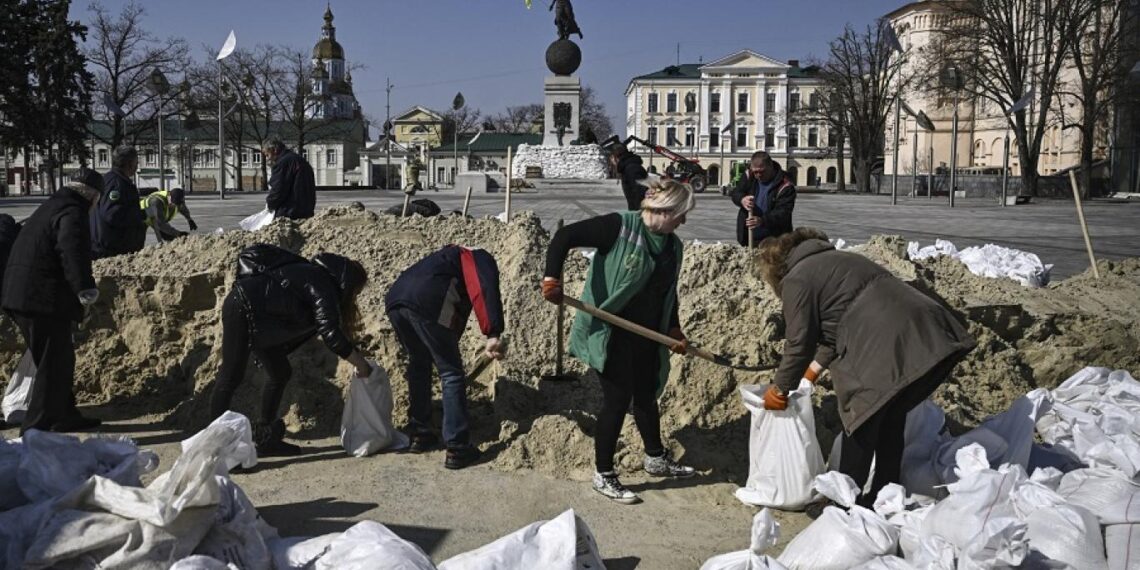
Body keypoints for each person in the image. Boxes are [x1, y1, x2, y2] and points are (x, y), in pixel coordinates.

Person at [755, 227, 976, 507]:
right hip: (931, 331)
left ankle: (844, 503)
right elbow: (834, 330)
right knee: (891, 418)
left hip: (884, 342)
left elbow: (799, 343)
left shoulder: (797, 279)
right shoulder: (842, 261)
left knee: (862, 420)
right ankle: (884, 495)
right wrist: (813, 371)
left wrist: (780, 388)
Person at [541, 178, 697, 505]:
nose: (684, 221)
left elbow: (668, 294)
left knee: (645, 394)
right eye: (681, 214)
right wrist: (552, 277)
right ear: (666, 210)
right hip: (609, 329)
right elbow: (564, 237)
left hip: (646, 333)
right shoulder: (620, 227)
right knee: (616, 398)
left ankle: (655, 457)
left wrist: (673, 329)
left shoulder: (673, 246)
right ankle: (604, 474)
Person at [209, 249, 371, 456]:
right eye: (356, 291)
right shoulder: (322, 284)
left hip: (261, 317)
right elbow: (330, 332)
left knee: (280, 372)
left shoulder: (315, 276)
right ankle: (214, 448)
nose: (354, 297)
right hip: (242, 307)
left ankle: (266, 438)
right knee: (230, 376)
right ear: (348, 283)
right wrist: (360, 363)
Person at [385, 245, 505, 470]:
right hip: (425, 300)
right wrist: (493, 332)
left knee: (419, 363)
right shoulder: (477, 257)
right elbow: (484, 287)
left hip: (396, 300)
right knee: (450, 372)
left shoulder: (438, 261)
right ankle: (458, 447)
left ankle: (420, 433)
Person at [2, 168, 104, 434]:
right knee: (53, 364)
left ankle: (64, 414)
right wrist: (84, 287)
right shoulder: (73, 211)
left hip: (22, 294)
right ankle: (36, 429)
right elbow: (71, 250)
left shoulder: (53, 204)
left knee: (57, 359)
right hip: (39, 299)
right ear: (93, 197)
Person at [729, 151, 796, 247]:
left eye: (762, 171)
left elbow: (783, 212)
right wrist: (742, 199)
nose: (758, 175)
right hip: (749, 237)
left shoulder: (785, 185)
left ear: (771, 166)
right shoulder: (749, 176)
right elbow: (736, 192)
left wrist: (762, 220)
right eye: (755, 172)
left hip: (775, 240)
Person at [91, 146, 146, 258]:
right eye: (136, 162)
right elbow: (111, 214)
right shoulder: (116, 183)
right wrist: (141, 214)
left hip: (111, 248)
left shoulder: (111, 179)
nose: (137, 166)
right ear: (129, 163)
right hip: (111, 250)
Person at [263, 137, 316, 220]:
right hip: (306, 210)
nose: (267, 158)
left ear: (274, 150)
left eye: (267, 155)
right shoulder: (300, 159)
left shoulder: (283, 163)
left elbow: (278, 188)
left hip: (290, 211)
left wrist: (270, 204)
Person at [608, 142, 648, 211]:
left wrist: (637, 215)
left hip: (641, 214)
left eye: (611, 159)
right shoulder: (627, 167)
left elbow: (641, 194)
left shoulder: (632, 169)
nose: (611, 163)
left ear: (615, 157)